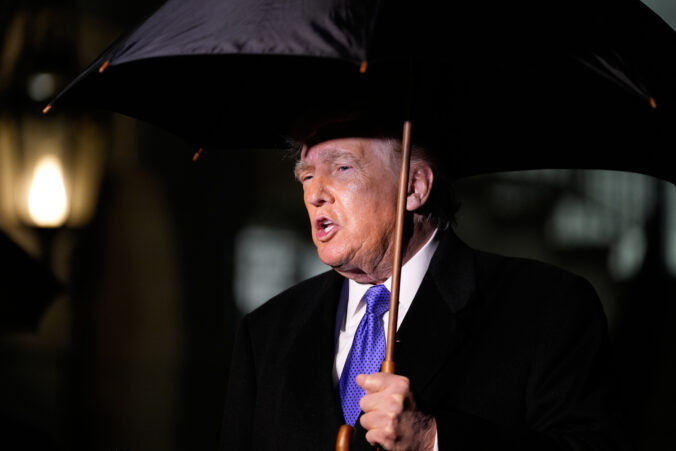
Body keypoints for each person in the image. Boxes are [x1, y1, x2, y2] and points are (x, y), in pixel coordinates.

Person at [219, 113, 624, 450]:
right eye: (306, 176)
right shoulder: (266, 332)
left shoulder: (546, 306)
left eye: (341, 168)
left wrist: (432, 439)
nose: (315, 195)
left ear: (414, 187)